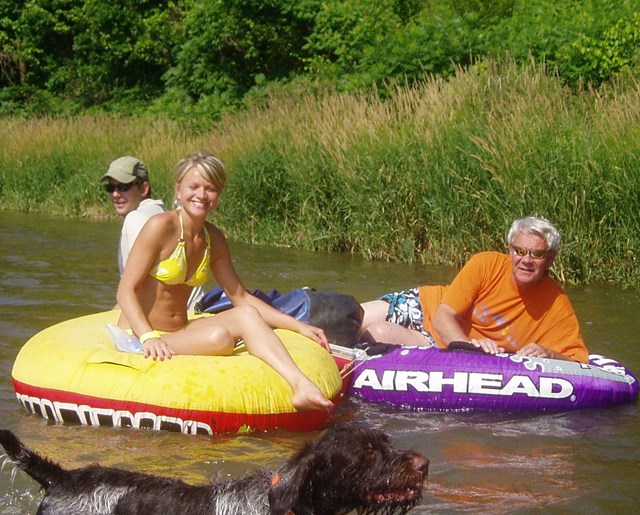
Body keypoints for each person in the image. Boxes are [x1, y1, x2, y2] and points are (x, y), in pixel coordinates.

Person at [116, 150, 335, 412]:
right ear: (178, 189)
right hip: (138, 335)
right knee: (220, 337)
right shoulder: (159, 227)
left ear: (218, 194)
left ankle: (301, 385)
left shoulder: (213, 238)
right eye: (194, 186)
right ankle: (299, 385)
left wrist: (299, 327)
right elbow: (125, 291)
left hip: (179, 331)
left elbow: (240, 297)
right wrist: (148, 337)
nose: (201, 195)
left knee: (247, 314)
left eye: (210, 189)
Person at [359, 216, 588, 362]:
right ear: (510, 250)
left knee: (378, 334)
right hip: (424, 305)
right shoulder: (485, 263)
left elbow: (576, 359)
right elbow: (443, 317)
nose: (526, 260)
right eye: (519, 251)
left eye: (536, 254)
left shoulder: (556, 303)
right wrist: (469, 348)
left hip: (437, 344)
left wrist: (548, 353)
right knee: (347, 317)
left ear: (551, 258)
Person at [101, 155, 203, 309]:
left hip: (176, 312)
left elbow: (141, 288)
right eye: (110, 187)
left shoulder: (135, 219)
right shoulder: (160, 211)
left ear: (144, 189)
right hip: (197, 306)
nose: (115, 194)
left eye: (124, 187)